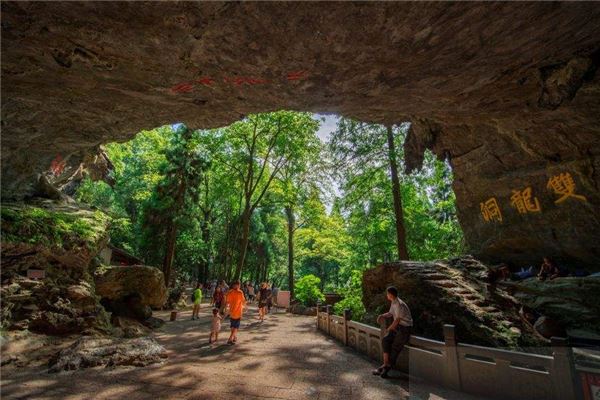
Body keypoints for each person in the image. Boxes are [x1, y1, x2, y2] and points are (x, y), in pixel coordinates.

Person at [373, 286, 413, 379]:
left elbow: (397, 320)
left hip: (404, 328)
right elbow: (391, 313)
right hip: (398, 327)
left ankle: (385, 369)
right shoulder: (393, 302)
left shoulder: (399, 304)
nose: (386, 295)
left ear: (390, 294)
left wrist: (389, 328)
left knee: (395, 347)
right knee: (385, 340)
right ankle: (385, 364)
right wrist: (382, 315)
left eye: (387, 293)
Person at [224, 280, 246, 345]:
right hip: (238, 312)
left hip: (232, 312)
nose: (238, 286)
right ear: (238, 285)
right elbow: (243, 301)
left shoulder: (230, 292)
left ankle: (234, 337)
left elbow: (227, 301)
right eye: (238, 285)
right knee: (235, 327)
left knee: (232, 326)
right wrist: (245, 307)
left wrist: (227, 308)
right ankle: (230, 338)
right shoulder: (240, 292)